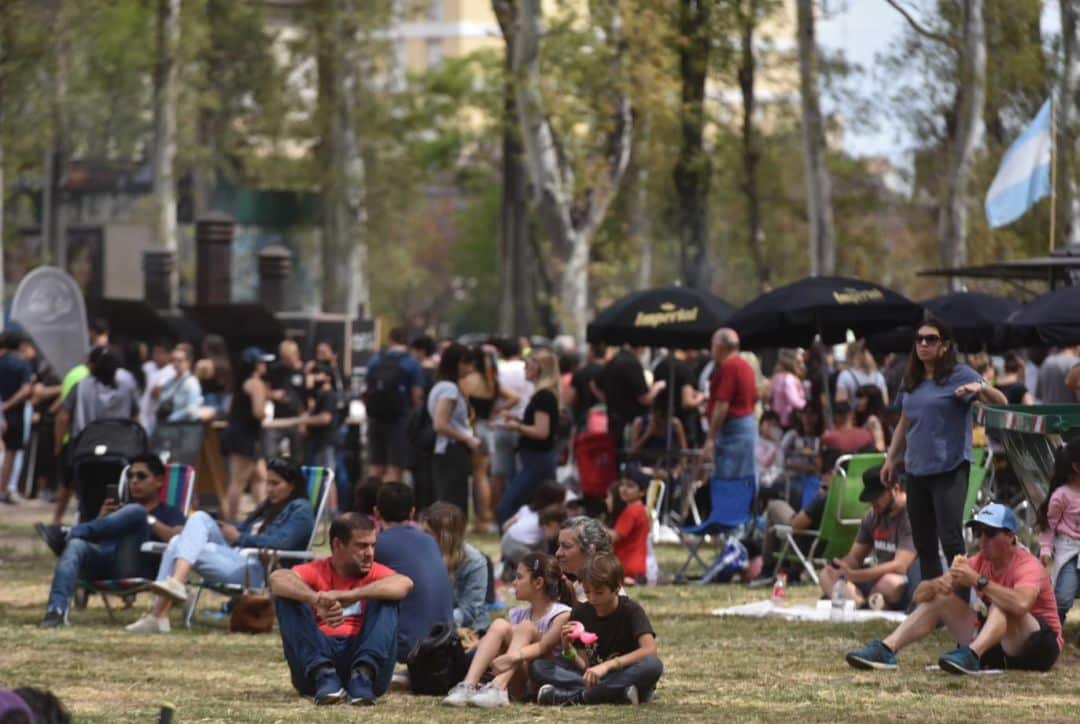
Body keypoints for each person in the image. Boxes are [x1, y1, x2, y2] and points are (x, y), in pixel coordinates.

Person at [846, 503, 1063, 675]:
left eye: (990, 533)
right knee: (942, 599)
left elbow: (1020, 604)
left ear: (1010, 536)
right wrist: (933, 586)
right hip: (1000, 644)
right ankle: (886, 649)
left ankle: (971, 655)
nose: (982, 540)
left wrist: (979, 581)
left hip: (1040, 647)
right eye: (978, 532)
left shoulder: (1028, 565)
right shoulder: (977, 561)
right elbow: (918, 596)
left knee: (1002, 602)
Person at [881, 318, 1006, 587]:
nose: (923, 344)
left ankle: (962, 600)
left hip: (950, 469)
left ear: (945, 345)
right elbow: (905, 420)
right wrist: (891, 458)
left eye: (931, 339)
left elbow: (1002, 402)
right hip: (915, 470)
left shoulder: (960, 374)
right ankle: (933, 604)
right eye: (919, 339)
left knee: (951, 539)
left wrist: (982, 388)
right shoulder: (911, 378)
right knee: (923, 542)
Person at [126, 457, 314, 633]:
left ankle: (161, 607)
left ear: (292, 486)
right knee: (198, 520)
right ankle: (164, 606)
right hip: (239, 558)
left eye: (275, 484)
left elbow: (281, 543)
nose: (269, 489)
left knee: (178, 541)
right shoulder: (270, 505)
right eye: (267, 482)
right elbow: (247, 531)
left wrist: (238, 537)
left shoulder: (301, 509)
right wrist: (229, 530)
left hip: (260, 569)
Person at [269, 513, 413, 706]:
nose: (370, 553)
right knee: (286, 597)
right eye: (362, 546)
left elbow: (405, 584)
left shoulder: (375, 572)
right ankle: (324, 675)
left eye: (373, 545)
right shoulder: (318, 569)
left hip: (369, 667)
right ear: (337, 545)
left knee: (388, 596)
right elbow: (277, 579)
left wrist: (347, 595)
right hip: (315, 665)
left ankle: (362, 675)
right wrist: (315, 599)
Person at [36, 454, 186, 627]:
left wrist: (147, 519)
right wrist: (102, 518)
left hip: (134, 566)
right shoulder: (121, 509)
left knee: (135, 511)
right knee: (76, 544)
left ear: (159, 480)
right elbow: (97, 540)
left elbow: (177, 538)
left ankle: (68, 532)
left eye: (141, 476)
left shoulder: (170, 512)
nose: (134, 481)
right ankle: (56, 612)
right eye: (130, 476)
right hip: (104, 563)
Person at [443, 552, 573, 708]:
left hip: (543, 682)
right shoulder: (517, 614)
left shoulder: (561, 614)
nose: (513, 582)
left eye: (519, 577)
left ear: (538, 583)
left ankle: (498, 687)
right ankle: (468, 686)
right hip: (519, 683)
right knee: (499, 624)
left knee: (525, 627)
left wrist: (512, 657)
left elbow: (544, 647)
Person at [531, 553, 662, 706]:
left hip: (625, 673)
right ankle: (617, 693)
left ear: (616, 587)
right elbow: (585, 666)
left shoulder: (631, 610)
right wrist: (567, 648)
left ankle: (578, 697)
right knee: (538, 667)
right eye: (587, 592)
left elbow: (649, 650)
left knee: (653, 665)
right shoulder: (581, 612)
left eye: (599, 592)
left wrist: (607, 666)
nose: (592, 598)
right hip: (595, 679)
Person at [372, 482, 454, 663]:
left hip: (408, 648)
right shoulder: (429, 541)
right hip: (445, 642)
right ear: (412, 512)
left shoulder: (376, 545)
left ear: (376, 513)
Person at [817, 465, 918, 610]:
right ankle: (865, 604)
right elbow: (855, 558)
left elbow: (900, 566)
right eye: (870, 499)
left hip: (904, 580)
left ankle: (861, 601)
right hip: (874, 579)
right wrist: (842, 568)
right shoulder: (872, 515)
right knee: (826, 575)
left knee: (889, 583)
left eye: (876, 498)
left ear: (895, 489)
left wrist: (857, 576)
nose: (872, 504)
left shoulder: (912, 514)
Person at [495, 349, 561, 526]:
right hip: (535, 459)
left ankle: (511, 548)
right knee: (538, 508)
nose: (524, 367)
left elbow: (541, 432)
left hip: (537, 461)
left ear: (540, 368)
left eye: (528, 364)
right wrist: (517, 420)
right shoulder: (543, 395)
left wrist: (516, 426)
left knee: (507, 506)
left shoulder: (544, 396)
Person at [460, 346, 518, 532]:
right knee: (486, 474)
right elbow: (514, 397)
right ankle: (488, 515)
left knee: (478, 475)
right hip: (489, 428)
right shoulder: (492, 381)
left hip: (473, 428)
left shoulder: (467, 381)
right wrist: (497, 411)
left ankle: (482, 518)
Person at [418, 502, 490, 633]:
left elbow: (468, 612)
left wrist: (431, 621)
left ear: (445, 537)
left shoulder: (475, 562)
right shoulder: (421, 552)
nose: (421, 537)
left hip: (467, 630)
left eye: (427, 533)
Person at [365, 326, 424, 484]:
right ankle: (389, 504)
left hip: (376, 418)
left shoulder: (375, 360)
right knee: (395, 467)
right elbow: (416, 394)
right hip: (400, 419)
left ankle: (370, 502)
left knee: (375, 466)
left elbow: (367, 388)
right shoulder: (411, 362)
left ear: (390, 340)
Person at [428, 343, 479, 516]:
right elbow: (440, 424)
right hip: (451, 450)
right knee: (453, 501)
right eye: (468, 363)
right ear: (457, 363)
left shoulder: (441, 386)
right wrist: (467, 438)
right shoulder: (449, 389)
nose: (471, 369)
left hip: (446, 450)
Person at [222, 347, 272, 520]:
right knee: (238, 482)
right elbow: (258, 412)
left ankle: (264, 517)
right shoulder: (256, 383)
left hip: (240, 435)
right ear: (255, 365)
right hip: (246, 437)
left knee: (260, 477)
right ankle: (231, 521)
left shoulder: (240, 383)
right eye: (261, 362)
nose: (265, 365)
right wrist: (268, 412)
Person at [593, 345, 660, 465]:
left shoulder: (613, 361)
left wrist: (608, 399)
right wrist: (658, 387)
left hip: (614, 421)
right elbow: (644, 398)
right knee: (630, 460)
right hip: (631, 424)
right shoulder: (632, 364)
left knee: (617, 460)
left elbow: (594, 384)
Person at [1037, 438, 1080, 625]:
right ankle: (1053, 632)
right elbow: (1049, 525)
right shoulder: (1061, 496)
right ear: (1077, 467)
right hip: (1071, 551)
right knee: (1062, 599)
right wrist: (1045, 550)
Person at [706, 328, 757, 482]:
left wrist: (710, 438)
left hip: (733, 432)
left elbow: (722, 405)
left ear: (720, 346)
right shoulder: (745, 365)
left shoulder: (730, 366)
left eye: (712, 345)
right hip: (745, 428)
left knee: (729, 479)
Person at [492, 338, 534, 506]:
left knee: (498, 473)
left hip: (501, 421)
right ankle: (521, 506)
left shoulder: (499, 370)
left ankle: (497, 510)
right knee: (522, 470)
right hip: (525, 423)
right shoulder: (528, 368)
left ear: (501, 353)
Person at [499, 479, 566, 581]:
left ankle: (511, 564)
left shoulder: (526, 509)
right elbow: (550, 535)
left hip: (507, 539)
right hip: (516, 546)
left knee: (540, 551)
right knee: (534, 564)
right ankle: (515, 574)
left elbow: (505, 526)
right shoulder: (546, 518)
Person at [556, 516, 615, 602]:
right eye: (559, 546)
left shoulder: (606, 594)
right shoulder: (577, 585)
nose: (558, 553)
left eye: (566, 546)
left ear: (590, 551)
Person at [265, 339, 307, 457]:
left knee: (298, 457)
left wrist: (305, 421)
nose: (286, 362)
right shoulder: (275, 370)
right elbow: (264, 390)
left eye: (288, 359)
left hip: (298, 418)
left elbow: (309, 397)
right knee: (270, 454)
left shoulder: (304, 371)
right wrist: (273, 394)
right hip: (278, 418)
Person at [608, 468, 650, 583]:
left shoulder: (632, 511)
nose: (624, 489)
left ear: (642, 492)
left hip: (628, 567)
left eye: (630, 486)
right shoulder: (639, 509)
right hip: (636, 568)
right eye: (622, 484)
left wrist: (592, 528)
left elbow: (613, 537)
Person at [154, 343, 204, 426]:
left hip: (182, 430)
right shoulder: (169, 382)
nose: (176, 364)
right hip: (164, 428)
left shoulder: (192, 383)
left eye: (180, 360)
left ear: (189, 362)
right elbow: (161, 402)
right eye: (174, 360)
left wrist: (171, 419)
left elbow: (191, 411)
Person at [834, 339, 889, 405]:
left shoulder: (845, 376)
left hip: (855, 414)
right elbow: (885, 403)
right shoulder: (879, 376)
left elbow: (841, 406)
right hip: (877, 414)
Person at [138, 338, 176, 433]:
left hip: (158, 418)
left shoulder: (172, 371)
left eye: (160, 353)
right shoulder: (147, 366)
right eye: (155, 352)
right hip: (142, 413)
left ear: (169, 355)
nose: (156, 356)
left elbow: (155, 393)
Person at [567, 343, 607, 428]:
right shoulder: (611, 371)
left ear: (592, 351)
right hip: (607, 420)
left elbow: (572, 399)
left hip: (584, 419)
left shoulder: (580, 372)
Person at [195, 334, 233, 418]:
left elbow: (195, 384)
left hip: (208, 402)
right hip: (225, 402)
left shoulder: (203, 365)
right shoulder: (228, 365)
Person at [770, 349, 806, 429]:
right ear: (790, 363)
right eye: (798, 363)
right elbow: (795, 402)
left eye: (803, 362)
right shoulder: (789, 379)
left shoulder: (776, 376)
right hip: (788, 422)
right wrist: (808, 406)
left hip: (777, 420)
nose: (802, 366)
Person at [853, 384, 889, 452]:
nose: (858, 402)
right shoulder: (861, 418)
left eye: (861, 398)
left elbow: (880, 446)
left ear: (872, 400)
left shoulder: (873, 420)